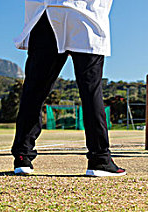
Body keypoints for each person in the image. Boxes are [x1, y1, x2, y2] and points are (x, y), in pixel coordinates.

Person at [11, 0, 126, 177]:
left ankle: (22, 156)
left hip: (46, 12)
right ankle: (100, 160)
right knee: (91, 91)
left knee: (34, 90)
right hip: (86, 15)